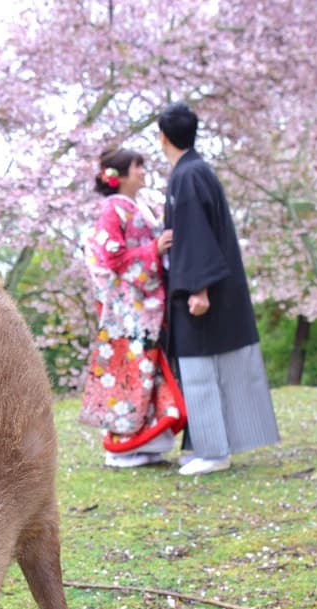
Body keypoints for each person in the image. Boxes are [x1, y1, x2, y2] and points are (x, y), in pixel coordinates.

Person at [158, 101, 279, 476]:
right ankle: (209, 446)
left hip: (202, 293)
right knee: (208, 368)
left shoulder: (188, 176)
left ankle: (214, 451)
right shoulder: (196, 171)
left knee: (202, 368)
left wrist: (198, 288)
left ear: (163, 137)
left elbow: (196, 233)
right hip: (208, 285)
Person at [79, 147, 183, 469]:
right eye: (137, 166)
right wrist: (154, 247)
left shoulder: (134, 207)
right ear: (119, 175)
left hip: (139, 308)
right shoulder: (114, 210)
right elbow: (113, 258)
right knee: (129, 376)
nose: (142, 171)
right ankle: (122, 447)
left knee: (143, 375)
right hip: (129, 310)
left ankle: (143, 444)